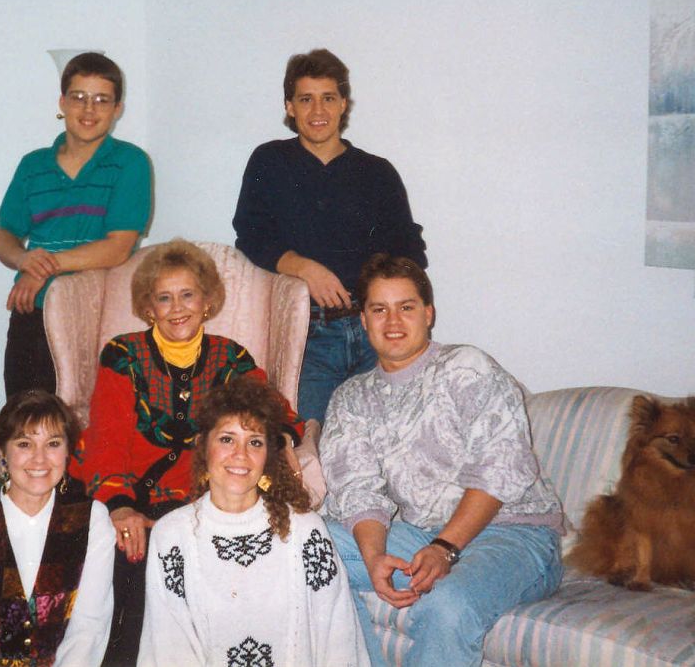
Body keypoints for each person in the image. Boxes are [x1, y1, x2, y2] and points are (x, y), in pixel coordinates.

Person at [320, 254, 565, 667]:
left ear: (428, 314)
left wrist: (445, 548)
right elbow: (357, 489)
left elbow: (499, 469)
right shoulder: (351, 398)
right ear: (363, 320)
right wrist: (374, 557)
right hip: (417, 534)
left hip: (513, 535)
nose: (392, 320)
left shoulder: (466, 368)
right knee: (302, 548)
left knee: (446, 605)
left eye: (406, 307)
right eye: (379, 309)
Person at [72, 239, 304, 667]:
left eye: (188, 295)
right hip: (124, 499)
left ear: (208, 301)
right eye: (164, 298)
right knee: (128, 575)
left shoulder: (230, 357)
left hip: (192, 505)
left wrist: (281, 439)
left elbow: (277, 412)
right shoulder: (123, 355)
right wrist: (121, 509)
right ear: (148, 307)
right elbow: (106, 438)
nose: (177, 308)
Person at [232, 48, 427, 424]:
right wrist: (305, 268)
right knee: (313, 448)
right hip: (308, 336)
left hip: (375, 333)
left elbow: (409, 249)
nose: (317, 111)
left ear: (343, 105)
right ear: (290, 106)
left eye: (328, 99)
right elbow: (251, 234)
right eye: (306, 99)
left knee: (391, 442)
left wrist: (386, 308)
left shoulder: (377, 172)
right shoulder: (269, 161)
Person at [139, 377, 368, 667]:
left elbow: (338, 638)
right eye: (227, 439)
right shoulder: (171, 536)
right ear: (202, 445)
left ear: (268, 455)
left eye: (255, 442)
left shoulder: (305, 530)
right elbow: (168, 647)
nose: (240, 455)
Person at [0, 52, 151, 399]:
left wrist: (45, 268)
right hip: (33, 311)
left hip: (100, 315)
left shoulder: (131, 163)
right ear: (62, 102)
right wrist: (23, 261)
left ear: (117, 109)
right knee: (27, 421)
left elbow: (118, 247)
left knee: (91, 430)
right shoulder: (32, 165)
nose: (89, 110)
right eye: (79, 98)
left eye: (101, 100)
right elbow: (4, 236)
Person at [0, 390, 115, 667]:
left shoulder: (92, 522)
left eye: (52, 444)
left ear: (68, 452)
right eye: (25, 444)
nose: (40, 459)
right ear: (1, 453)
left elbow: (88, 630)